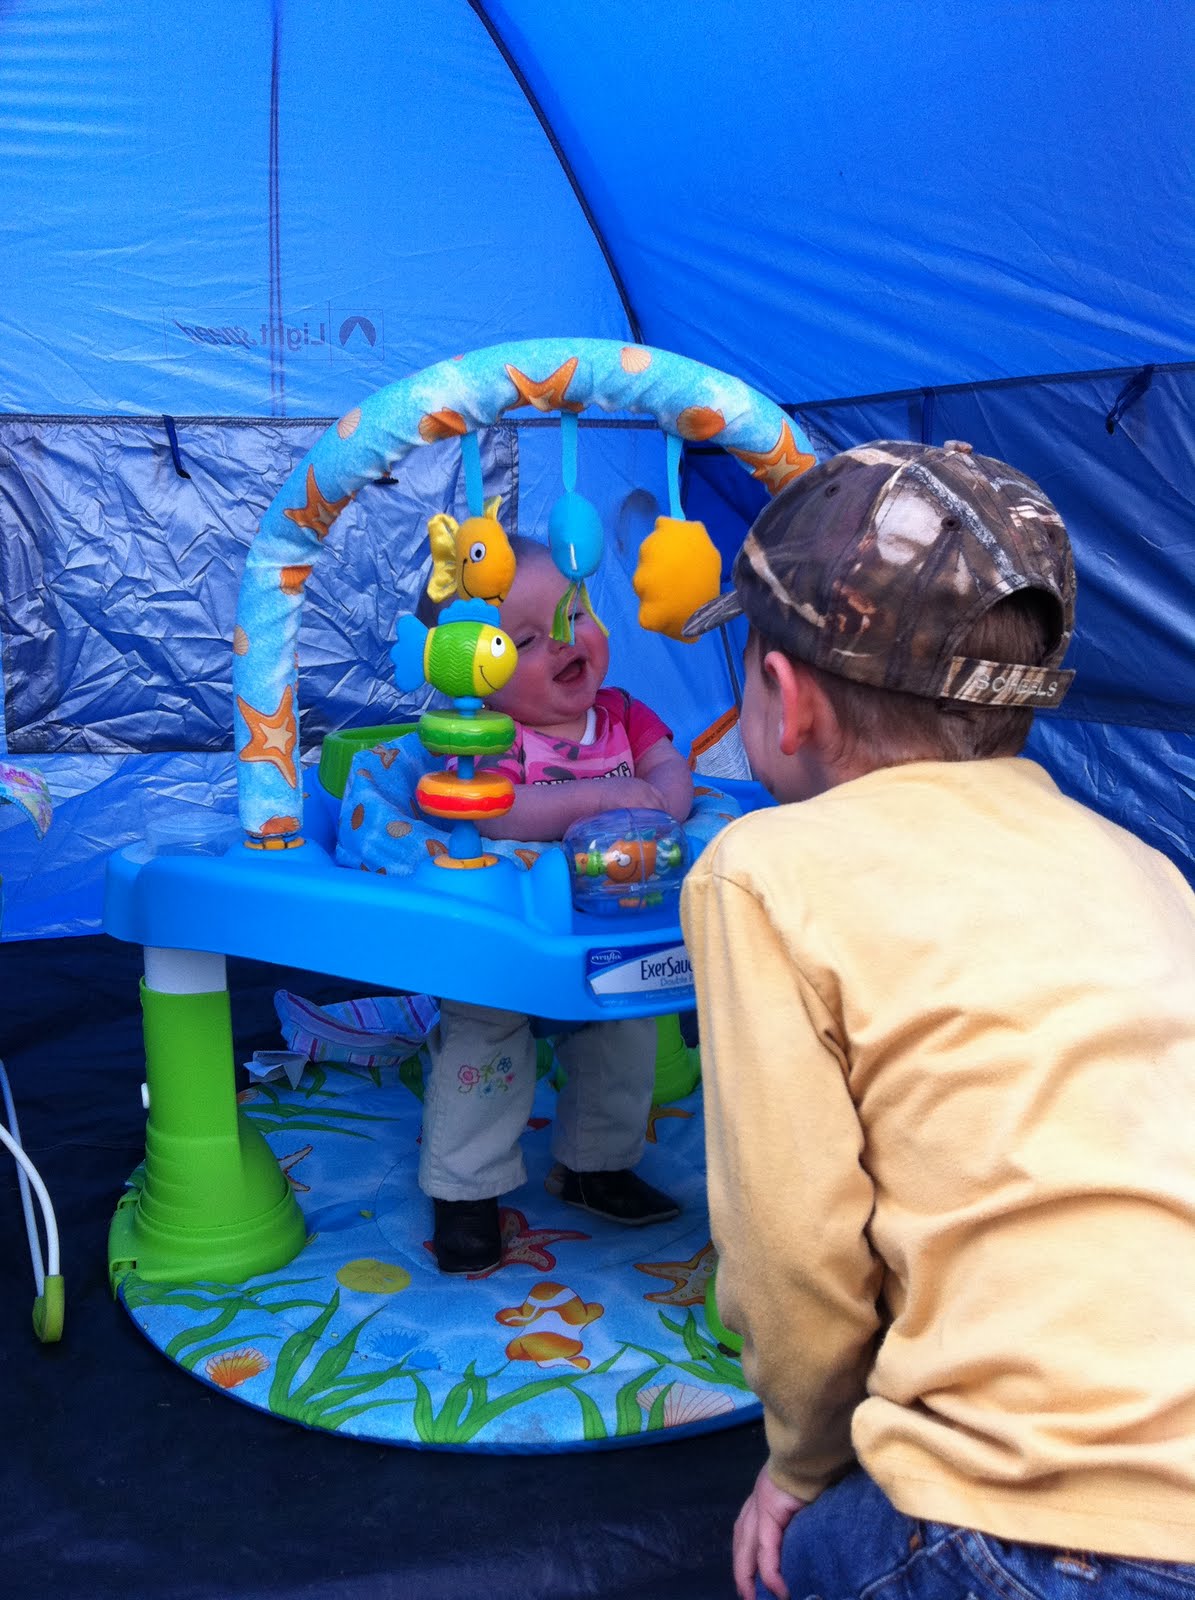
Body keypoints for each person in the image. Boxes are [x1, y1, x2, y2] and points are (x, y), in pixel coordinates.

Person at [679, 440, 1195, 1599]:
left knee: (800, 1552)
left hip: (1044, 1530)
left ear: (784, 697)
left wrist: (801, 1464)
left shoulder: (761, 869)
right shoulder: (1144, 865)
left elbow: (791, 1249)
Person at [425, 537, 692, 1274]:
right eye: (523, 642)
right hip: (507, 931)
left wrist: (663, 802)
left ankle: (596, 1164)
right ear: (473, 674)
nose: (564, 643)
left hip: (607, 923)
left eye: (573, 615)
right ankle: (465, 1189)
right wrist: (598, 799)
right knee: (485, 1045)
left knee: (623, 1033)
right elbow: (492, 814)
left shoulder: (623, 715)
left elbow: (670, 768)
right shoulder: (487, 736)